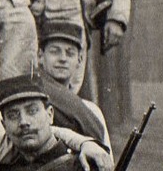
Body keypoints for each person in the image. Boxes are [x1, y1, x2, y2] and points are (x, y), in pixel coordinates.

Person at [35, 18, 110, 147]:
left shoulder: (91, 110)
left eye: (70, 53)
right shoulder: (29, 102)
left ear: (79, 59)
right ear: (40, 56)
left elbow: (106, 158)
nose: (63, 59)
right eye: (55, 52)